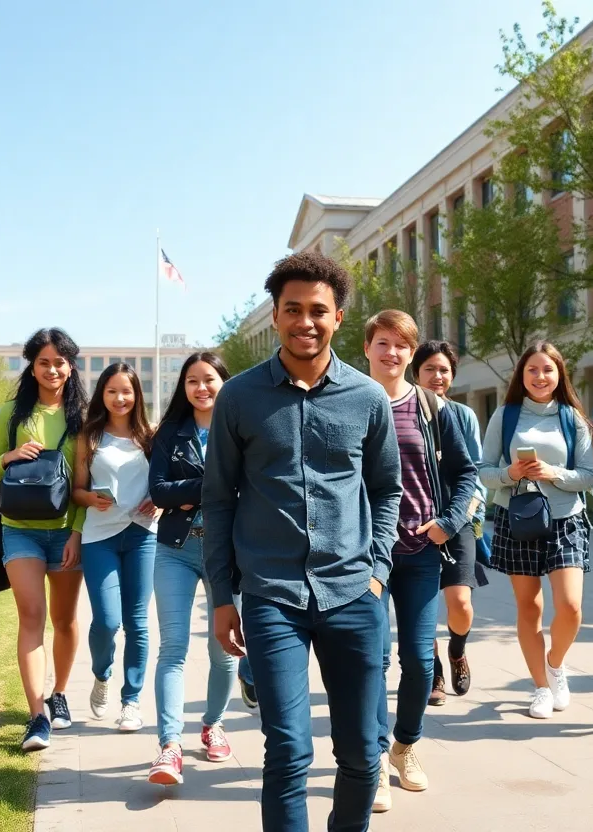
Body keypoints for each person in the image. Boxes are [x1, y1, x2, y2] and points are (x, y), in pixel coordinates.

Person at [204, 251, 402, 832]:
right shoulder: (238, 397)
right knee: (288, 750)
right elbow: (218, 499)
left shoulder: (367, 397)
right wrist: (222, 597)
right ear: (275, 315)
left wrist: (377, 572)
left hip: (353, 594)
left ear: (339, 317)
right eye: (293, 309)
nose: (305, 322)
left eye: (318, 310)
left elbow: (386, 490)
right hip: (272, 595)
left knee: (362, 753)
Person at [364, 318, 475, 812]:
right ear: (367, 348)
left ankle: (404, 746)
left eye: (401, 345)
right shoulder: (350, 401)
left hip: (422, 552)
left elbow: (466, 472)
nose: (391, 352)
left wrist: (448, 523)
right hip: (366, 557)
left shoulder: (432, 407)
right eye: (382, 343)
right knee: (372, 660)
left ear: (411, 354)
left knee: (419, 660)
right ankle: (372, 761)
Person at [0, 327, 88, 752]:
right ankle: (37, 715)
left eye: (59, 362)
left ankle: (59, 693)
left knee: (65, 619)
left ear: (70, 366)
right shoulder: (12, 413)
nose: (52, 370)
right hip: (19, 530)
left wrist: (77, 531)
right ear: (32, 366)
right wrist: (9, 457)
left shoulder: (83, 417)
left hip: (66, 533)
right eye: (44, 362)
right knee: (32, 617)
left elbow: (86, 482)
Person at [480, 342, 593, 720]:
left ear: (559, 374)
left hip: (566, 519)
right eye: (532, 369)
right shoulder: (505, 415)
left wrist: (553, 473)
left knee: (571, 607)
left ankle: (554, 664)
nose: (540, 376)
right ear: (521, 374)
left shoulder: (572, 417)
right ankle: (541, 687)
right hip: (519, 518)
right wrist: (510, 473)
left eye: (547, 369)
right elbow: (484, 471)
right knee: (529, 608)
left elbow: (588, 476)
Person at [146, 352, 238, 786]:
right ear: (183, 388)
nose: (201, 388)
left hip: (226, 552)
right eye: (192, 381)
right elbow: (159, 492)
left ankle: (213, 724)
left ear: (224, 382)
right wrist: (209, 487)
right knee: (173, 648)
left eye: (209, 379)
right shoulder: (170, 432)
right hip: (175, 550)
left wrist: (186, 493)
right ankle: (169, 746)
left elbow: (249, 487)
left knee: (225, 650)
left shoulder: (240, 427)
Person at [74, 363, 158, 732]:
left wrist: (159, 500)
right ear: (102, 394)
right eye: (112, 391)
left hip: (142, 535)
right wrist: (90, 498)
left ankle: (131, 702)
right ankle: (101, 673)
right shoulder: (89, 436)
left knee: (137, 623)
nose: (120, 398)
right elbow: (76, 490)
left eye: (127, 391)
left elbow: (164, 483)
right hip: (99, 538)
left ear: (137, 395)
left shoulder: (150, 436)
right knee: (107, 622)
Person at [411, 340, 490, 709]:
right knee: (421, 605)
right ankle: (435, 672)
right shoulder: (403, 411)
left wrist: (468, 516)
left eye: (444, 370)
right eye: (429, 369)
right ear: (416, 373)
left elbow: (475, 472)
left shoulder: (463, 415)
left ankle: (457, 651)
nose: (437, 376)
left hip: (458, 520)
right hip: (414, 523)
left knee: (460, 601)